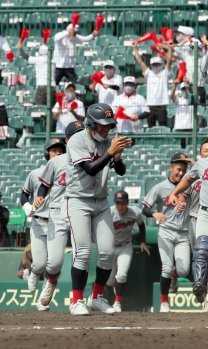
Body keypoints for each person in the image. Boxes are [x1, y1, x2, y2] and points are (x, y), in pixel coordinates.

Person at [65, 103, 131, 315]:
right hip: (78, 200)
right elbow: (91, 169)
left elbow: (120, 171)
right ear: (91, 124)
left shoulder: (109, 142)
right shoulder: (77, 140)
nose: (106, 129)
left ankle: (97, 297)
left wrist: (117, 155)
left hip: (101, 201)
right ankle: (76, 300)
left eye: (108, 126)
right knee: (82, 252)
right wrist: (111, 152)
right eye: (102, 125)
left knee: (107, 252)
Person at [168, 125, 208, 309]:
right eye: (205, 150)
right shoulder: (201, 166)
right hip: (200, 215)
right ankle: (202, 285)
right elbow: (185, 185)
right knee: (203, 251)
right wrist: (177, 195)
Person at [36, 121, 85, 310]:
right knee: (54, 262)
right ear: (68, 140)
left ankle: (77, 298)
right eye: (76, 135)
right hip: (57, 212)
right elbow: (44, 185)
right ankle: (51, 280)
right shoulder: (56, 161)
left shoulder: (89, 159)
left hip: (79, 211)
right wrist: (40, 196)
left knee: (80, 257)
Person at [142, 152, 192, 313]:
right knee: (166, 267)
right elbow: (144, 208)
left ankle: (174, 277)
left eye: (184, 170)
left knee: (183, 270)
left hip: (183, 233)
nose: (181, 173)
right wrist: (154, 214)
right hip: (166, 231)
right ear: (171, 168)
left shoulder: (190, 186)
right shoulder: (160, 187)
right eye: (178, 169)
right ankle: (164, 302)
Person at [20, 138, 66, 302]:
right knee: (39, 264)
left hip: (58, 221)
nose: (57, 153)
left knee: (53, 263)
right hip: (39, 222)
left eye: (60, 151)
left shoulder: (66, 173)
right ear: (47, 153)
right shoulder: (35, 173)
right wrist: (26, 206)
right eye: (53, 150)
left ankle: (45, 295)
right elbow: (24, 194)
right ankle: (32, 272)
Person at [108, 190, 148, 313]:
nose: (120, 206)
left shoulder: (134, 211)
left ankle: (117, 302)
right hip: (110, 246)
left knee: (121, 275)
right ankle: (95, 298)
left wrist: (142, 241)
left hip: (125, 246)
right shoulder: (109, 212)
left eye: (123, 203)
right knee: (109, 281)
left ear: (127, 202)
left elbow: (141, 225)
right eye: (118, 203)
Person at [133, 44, 173, 128]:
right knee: (150, 127)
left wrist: (168, 48)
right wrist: (135, 49)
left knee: (163, 128)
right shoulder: (149, 73)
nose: (156, 66)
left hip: (162, 105)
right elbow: (140, 62)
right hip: (150, 105)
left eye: (158, 64)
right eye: (154, 64)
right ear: (151, 65)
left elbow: (169, 60)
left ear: (162, 65)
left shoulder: (164, 73)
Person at [18, 41, 54, 106]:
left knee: (39, 108)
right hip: (52, 87)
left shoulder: (38, 59)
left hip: (41, 87)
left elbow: (25, 56)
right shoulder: (53, 60)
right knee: (50, 110)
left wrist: (20, 48)